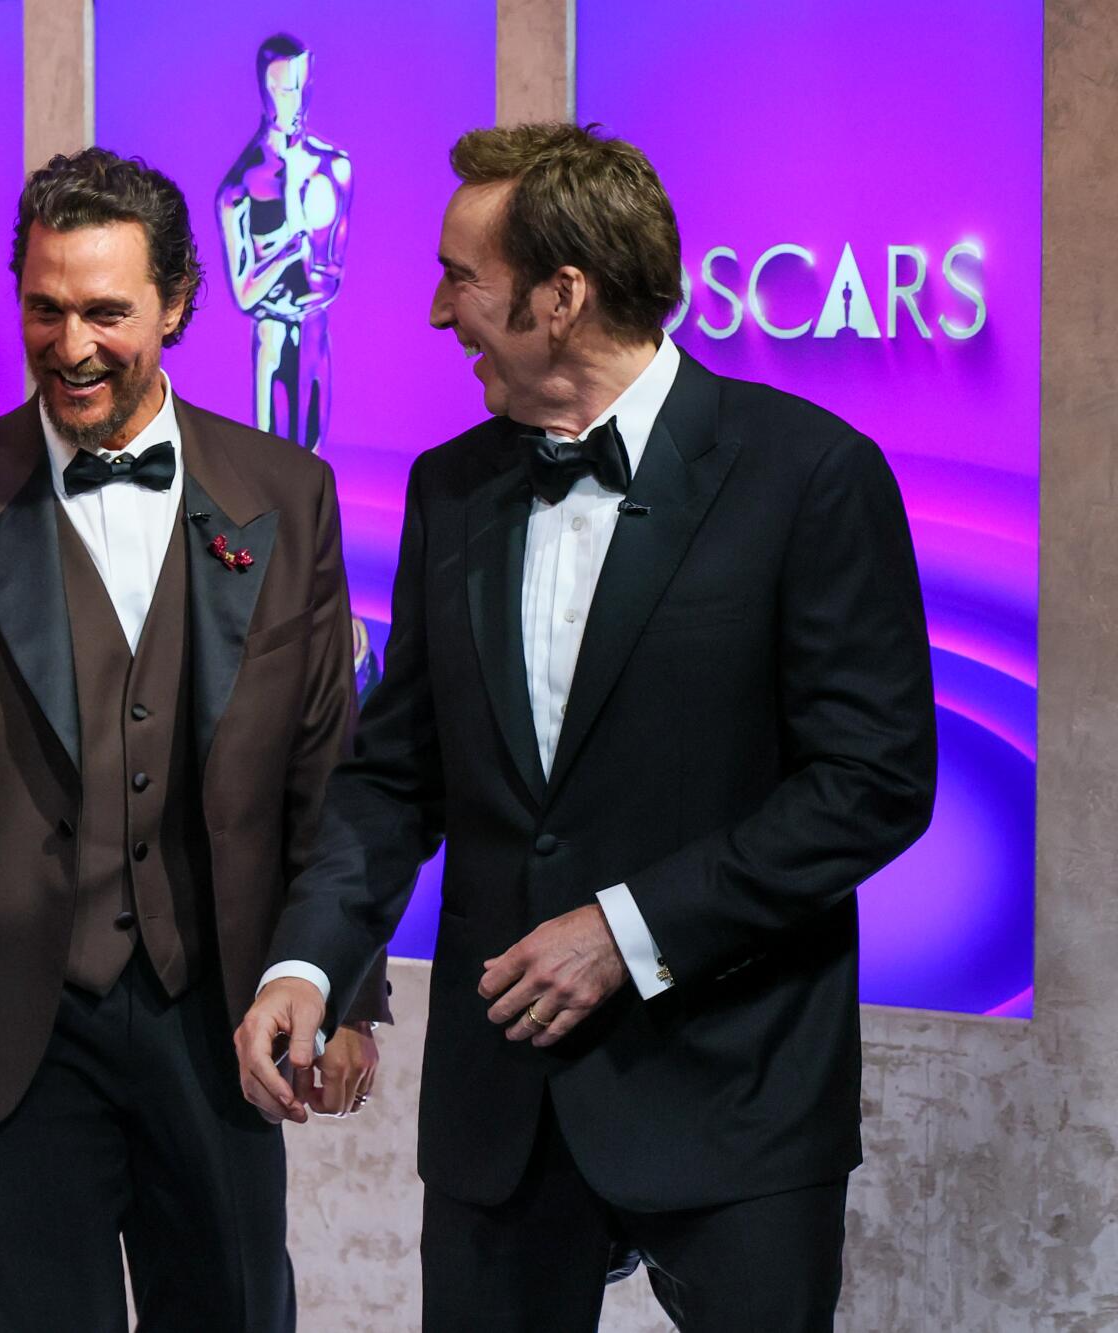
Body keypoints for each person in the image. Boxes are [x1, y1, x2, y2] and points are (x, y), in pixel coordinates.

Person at [235, 122, 938, 1332]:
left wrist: (628, 930)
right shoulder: (446, 486)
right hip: (500, 1109)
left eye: (462, 276)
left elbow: (871, 781)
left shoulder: (809, 475)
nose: (434, 312)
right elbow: (394, 776)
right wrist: (308, 960)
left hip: (735, 1091)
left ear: (560, 296)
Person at [0, 147, 385, 1333]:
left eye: (104, 312)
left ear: (177, 305)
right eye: (43, 306)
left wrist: (340, 984)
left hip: (221, 1007)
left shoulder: (289, 491)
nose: (69, 342)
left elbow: (324, 767)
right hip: (7, 1022)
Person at [217, 33, 351, 452]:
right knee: (272, 461)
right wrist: (290, 253)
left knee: (313, 456)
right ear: (265, 89)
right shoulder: (239, 186)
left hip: (315, 329)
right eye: (283, 89)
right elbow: (243, 294)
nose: (293, 101)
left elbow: (332, 273)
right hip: (272, 335)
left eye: (301, 87)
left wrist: (301, 265)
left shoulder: (334, 168)